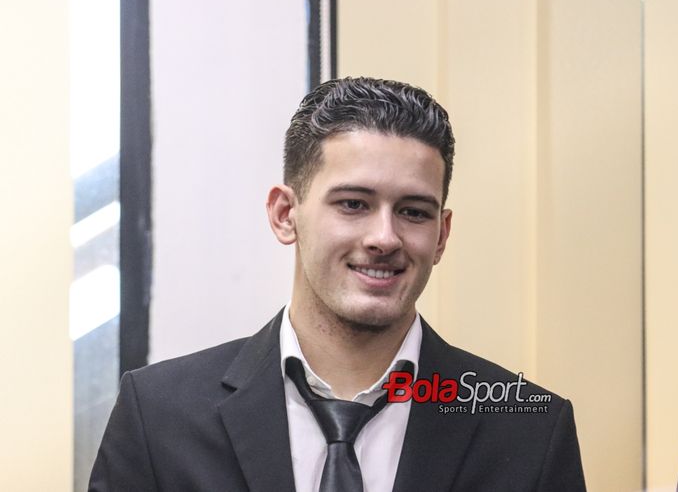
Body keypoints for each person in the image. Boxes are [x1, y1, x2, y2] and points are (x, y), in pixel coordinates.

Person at [89, 77, 586, 491]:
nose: (384, 237)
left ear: (441, 235)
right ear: (285, 214)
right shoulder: (159, 416)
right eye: (353, 204)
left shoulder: (530, 430)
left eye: (414, 212)